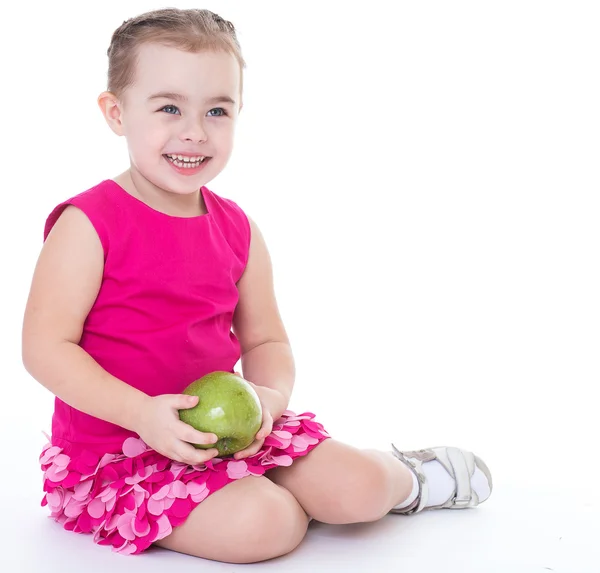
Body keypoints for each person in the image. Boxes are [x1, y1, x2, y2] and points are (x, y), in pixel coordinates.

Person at [22, 7, 493, 564]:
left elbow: (266, 340)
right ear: (115, 112)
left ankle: (409, 479)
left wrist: (270, 398)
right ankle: (268, 502)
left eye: (217, 110)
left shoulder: (237, 228)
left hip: (231, 433)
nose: (194, 130)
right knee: (267, 527)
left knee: (360, 488)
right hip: (121, 451)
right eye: (169, 107)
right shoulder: (89, 224)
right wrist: (142, 415)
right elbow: (44, 349)